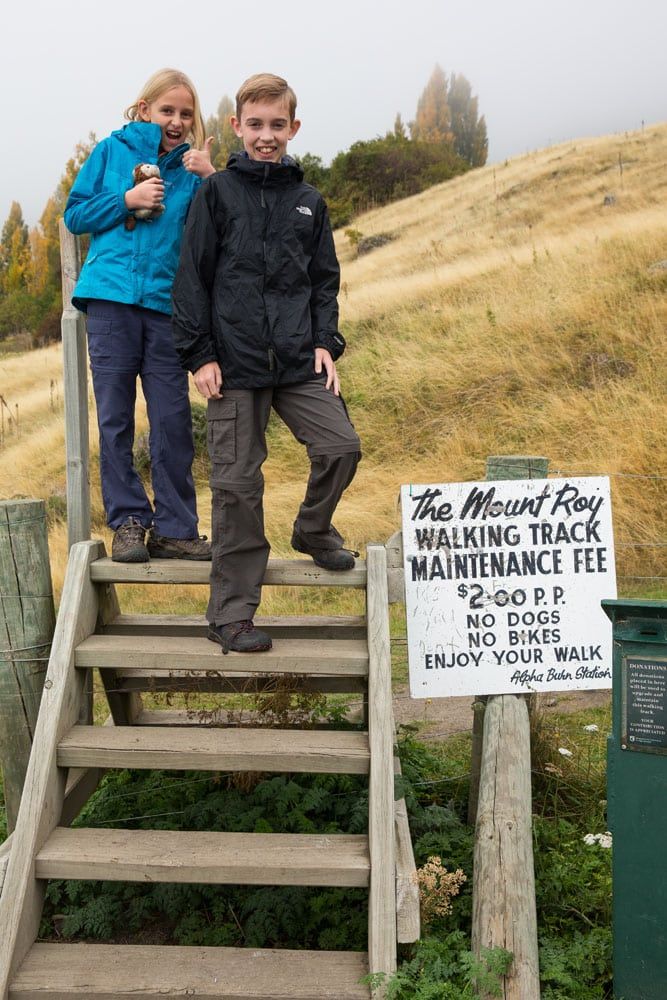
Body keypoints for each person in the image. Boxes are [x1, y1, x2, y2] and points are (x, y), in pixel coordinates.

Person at [172, 72, 361, 653]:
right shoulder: (216, 194)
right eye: (255, 124)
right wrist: (200, 355)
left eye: (277, 125)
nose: (266, 136)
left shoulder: (309, 202)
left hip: (300, 361)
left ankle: (311, 528)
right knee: (236, 487)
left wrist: (326, 342)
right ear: (236, 126)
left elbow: (325, 281)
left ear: (293, 127)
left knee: (340, 446)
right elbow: (191, 280)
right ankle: (231, 615)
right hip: (232, 365)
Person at [64, 68, 216, 563]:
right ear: (144, 108)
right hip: (110, 300)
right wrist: (125, 199)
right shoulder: (112, 150)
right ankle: (129, 521)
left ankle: (174, 528)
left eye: (185, 114)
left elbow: (216, 232)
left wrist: (211, 179)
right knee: (115, 418)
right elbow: (75, 214)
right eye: (167, 110)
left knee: (172, 419)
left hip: (166, 307)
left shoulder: (192, 170)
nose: (175, 121)